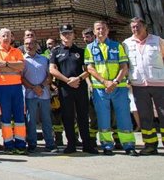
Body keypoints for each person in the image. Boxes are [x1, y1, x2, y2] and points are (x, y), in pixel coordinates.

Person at [85, 20, 136, 155]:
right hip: (100, 89)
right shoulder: (89, 48)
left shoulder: (117, 46)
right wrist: (104, 82)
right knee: (103, 118)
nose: (100, 31)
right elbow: (90, 68)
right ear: (94, 32)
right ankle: (107, 146)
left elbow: (124, 66)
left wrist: (115, 82)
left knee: (124, 117)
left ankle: (129, 145)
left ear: (107, 31)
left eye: (103, 29)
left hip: (118, 87)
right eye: (98, 29)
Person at [49, 24, 98, 154]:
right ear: (60, 36)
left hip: (80, 88)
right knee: (68, 117)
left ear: (73, 35)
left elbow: (89, 69)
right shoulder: (56, 52)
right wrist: (67, 80)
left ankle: (87, 144)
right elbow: (52, 69)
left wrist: (78, 79)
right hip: (65, 89)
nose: (67, 35)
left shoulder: (81, 51)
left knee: (83, 116)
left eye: (69, 33)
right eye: (64, 33)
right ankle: (71, 144)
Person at [122, 17, 164, 155]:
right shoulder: (127, 43)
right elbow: (125, 64)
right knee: (145, 115)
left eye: (138, 26)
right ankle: (150, 145)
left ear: (145, 27)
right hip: (138, 84)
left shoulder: (157, 41)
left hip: (159, 83)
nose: (135, 29)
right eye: (133, 27)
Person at [0, 28, 26, 154]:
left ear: (11, 37)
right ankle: (8, 144)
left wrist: (5, 64)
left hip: (16, 86)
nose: (6, 38)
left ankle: (21, 144)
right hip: (2, 87)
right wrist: (13, 65)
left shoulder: (17, 51)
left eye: (8, 35)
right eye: (3, 36)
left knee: (19, 116)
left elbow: (22, 66)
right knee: (5, 117)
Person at [21, 36, 56, 153]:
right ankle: (32, 144)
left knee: (47, 119)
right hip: (30, 95)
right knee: (31, 121)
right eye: (26, 44)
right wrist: (32, 87)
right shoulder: (22, 60)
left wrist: (40, 86)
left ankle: (50, 143)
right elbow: (20, 78)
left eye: (31, 44)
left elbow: (49, 76)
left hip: (44, 94)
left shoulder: (44, 59)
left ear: (36, 45)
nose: (29, 46)